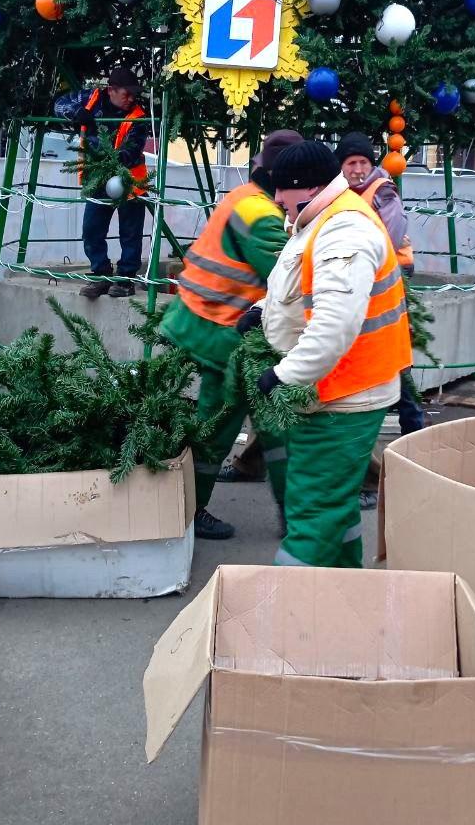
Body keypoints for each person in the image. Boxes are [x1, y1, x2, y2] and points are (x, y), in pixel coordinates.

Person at [257, 140, 413, 567]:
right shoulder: (321, 219)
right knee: (336, 509)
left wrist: (283, 375)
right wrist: (260, 313)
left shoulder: (345, 230)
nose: (275, 200)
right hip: (343, 388)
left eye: (280, 191)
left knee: (312, 513)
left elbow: (334, 326)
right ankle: (346, 595)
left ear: (304, 189)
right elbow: (304, 284)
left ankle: (280, 617)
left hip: (345, 394)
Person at [159, 130, 302, 540]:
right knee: (227, 424)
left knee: (262, 422)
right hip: (224, 332)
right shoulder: (262, 217)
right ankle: (191, 513)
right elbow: (287, 281)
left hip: (212, 325)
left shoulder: (245, 198)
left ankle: (289, 518)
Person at [336, 132, 424, 437]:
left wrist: (360, 265)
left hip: (391, 274)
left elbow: (392, 233)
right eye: (351, 163)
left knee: (391, 344)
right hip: (363, 274)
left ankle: (412, 426)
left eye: (362, 162)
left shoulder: (381, 190)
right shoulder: (342, 192)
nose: (358, 169)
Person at [54, 67, 149, 299]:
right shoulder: (91, 98)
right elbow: (59, 105)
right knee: (91, 229)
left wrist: (110, 158)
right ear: (111, 91)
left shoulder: (138, 117)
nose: (131, 99)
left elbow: (132, 150)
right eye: (126, 93)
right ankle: (101, 273)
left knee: (130, 232)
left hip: (129, 181)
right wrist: (77, 114)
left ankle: (126, 278)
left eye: (133, 94)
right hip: (97, 179)